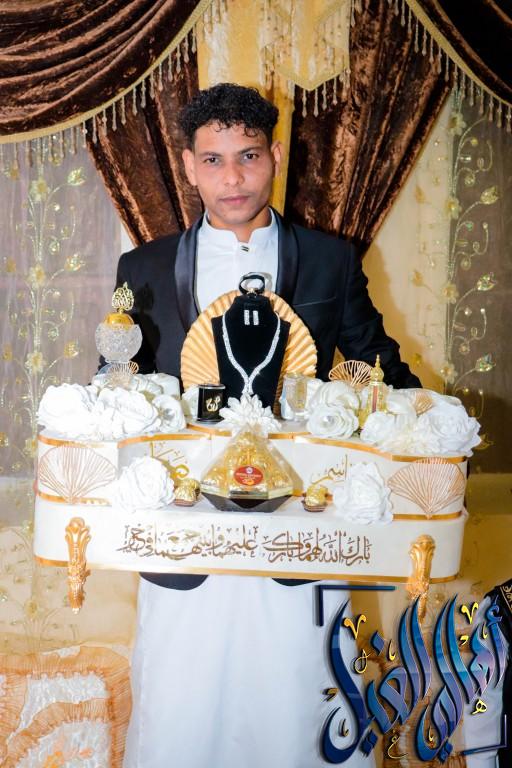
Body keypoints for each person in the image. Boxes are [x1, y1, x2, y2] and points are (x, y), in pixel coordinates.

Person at [120, 83, 420, 768]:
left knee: (302, 704)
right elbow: (122, 390)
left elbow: (379, 367)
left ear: (275, 156)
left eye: (248, 156)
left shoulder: (331, 260)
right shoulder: (142, 268)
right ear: (189, 166)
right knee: (180, 709)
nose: (233, 178)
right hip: (185, 536)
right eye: (214, 160)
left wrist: (427, 427)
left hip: (303, 532)